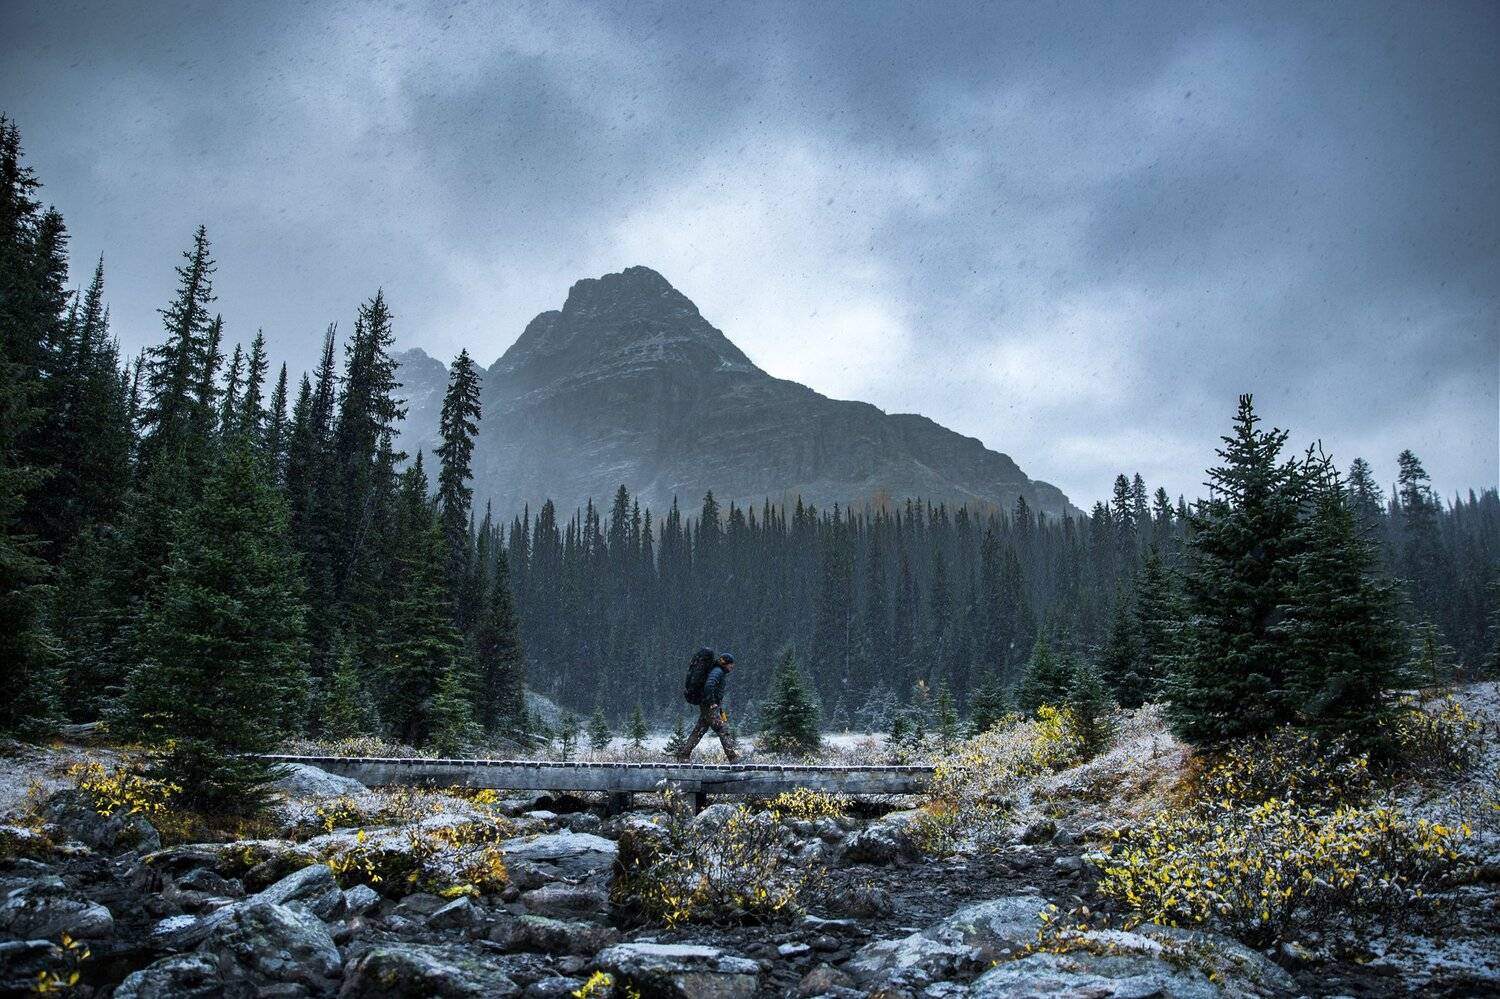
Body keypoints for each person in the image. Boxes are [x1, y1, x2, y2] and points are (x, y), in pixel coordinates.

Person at [675, 652, 740, 763]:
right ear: (725, 663)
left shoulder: (717, 671)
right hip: (709, 706)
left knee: (699, 731)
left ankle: (684, 756)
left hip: (708, 705)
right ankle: (733, 759)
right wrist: (712, 702)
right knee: (722, 729)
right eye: (731, 664)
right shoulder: (718, 671)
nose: (732, 666)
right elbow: (709, 685)